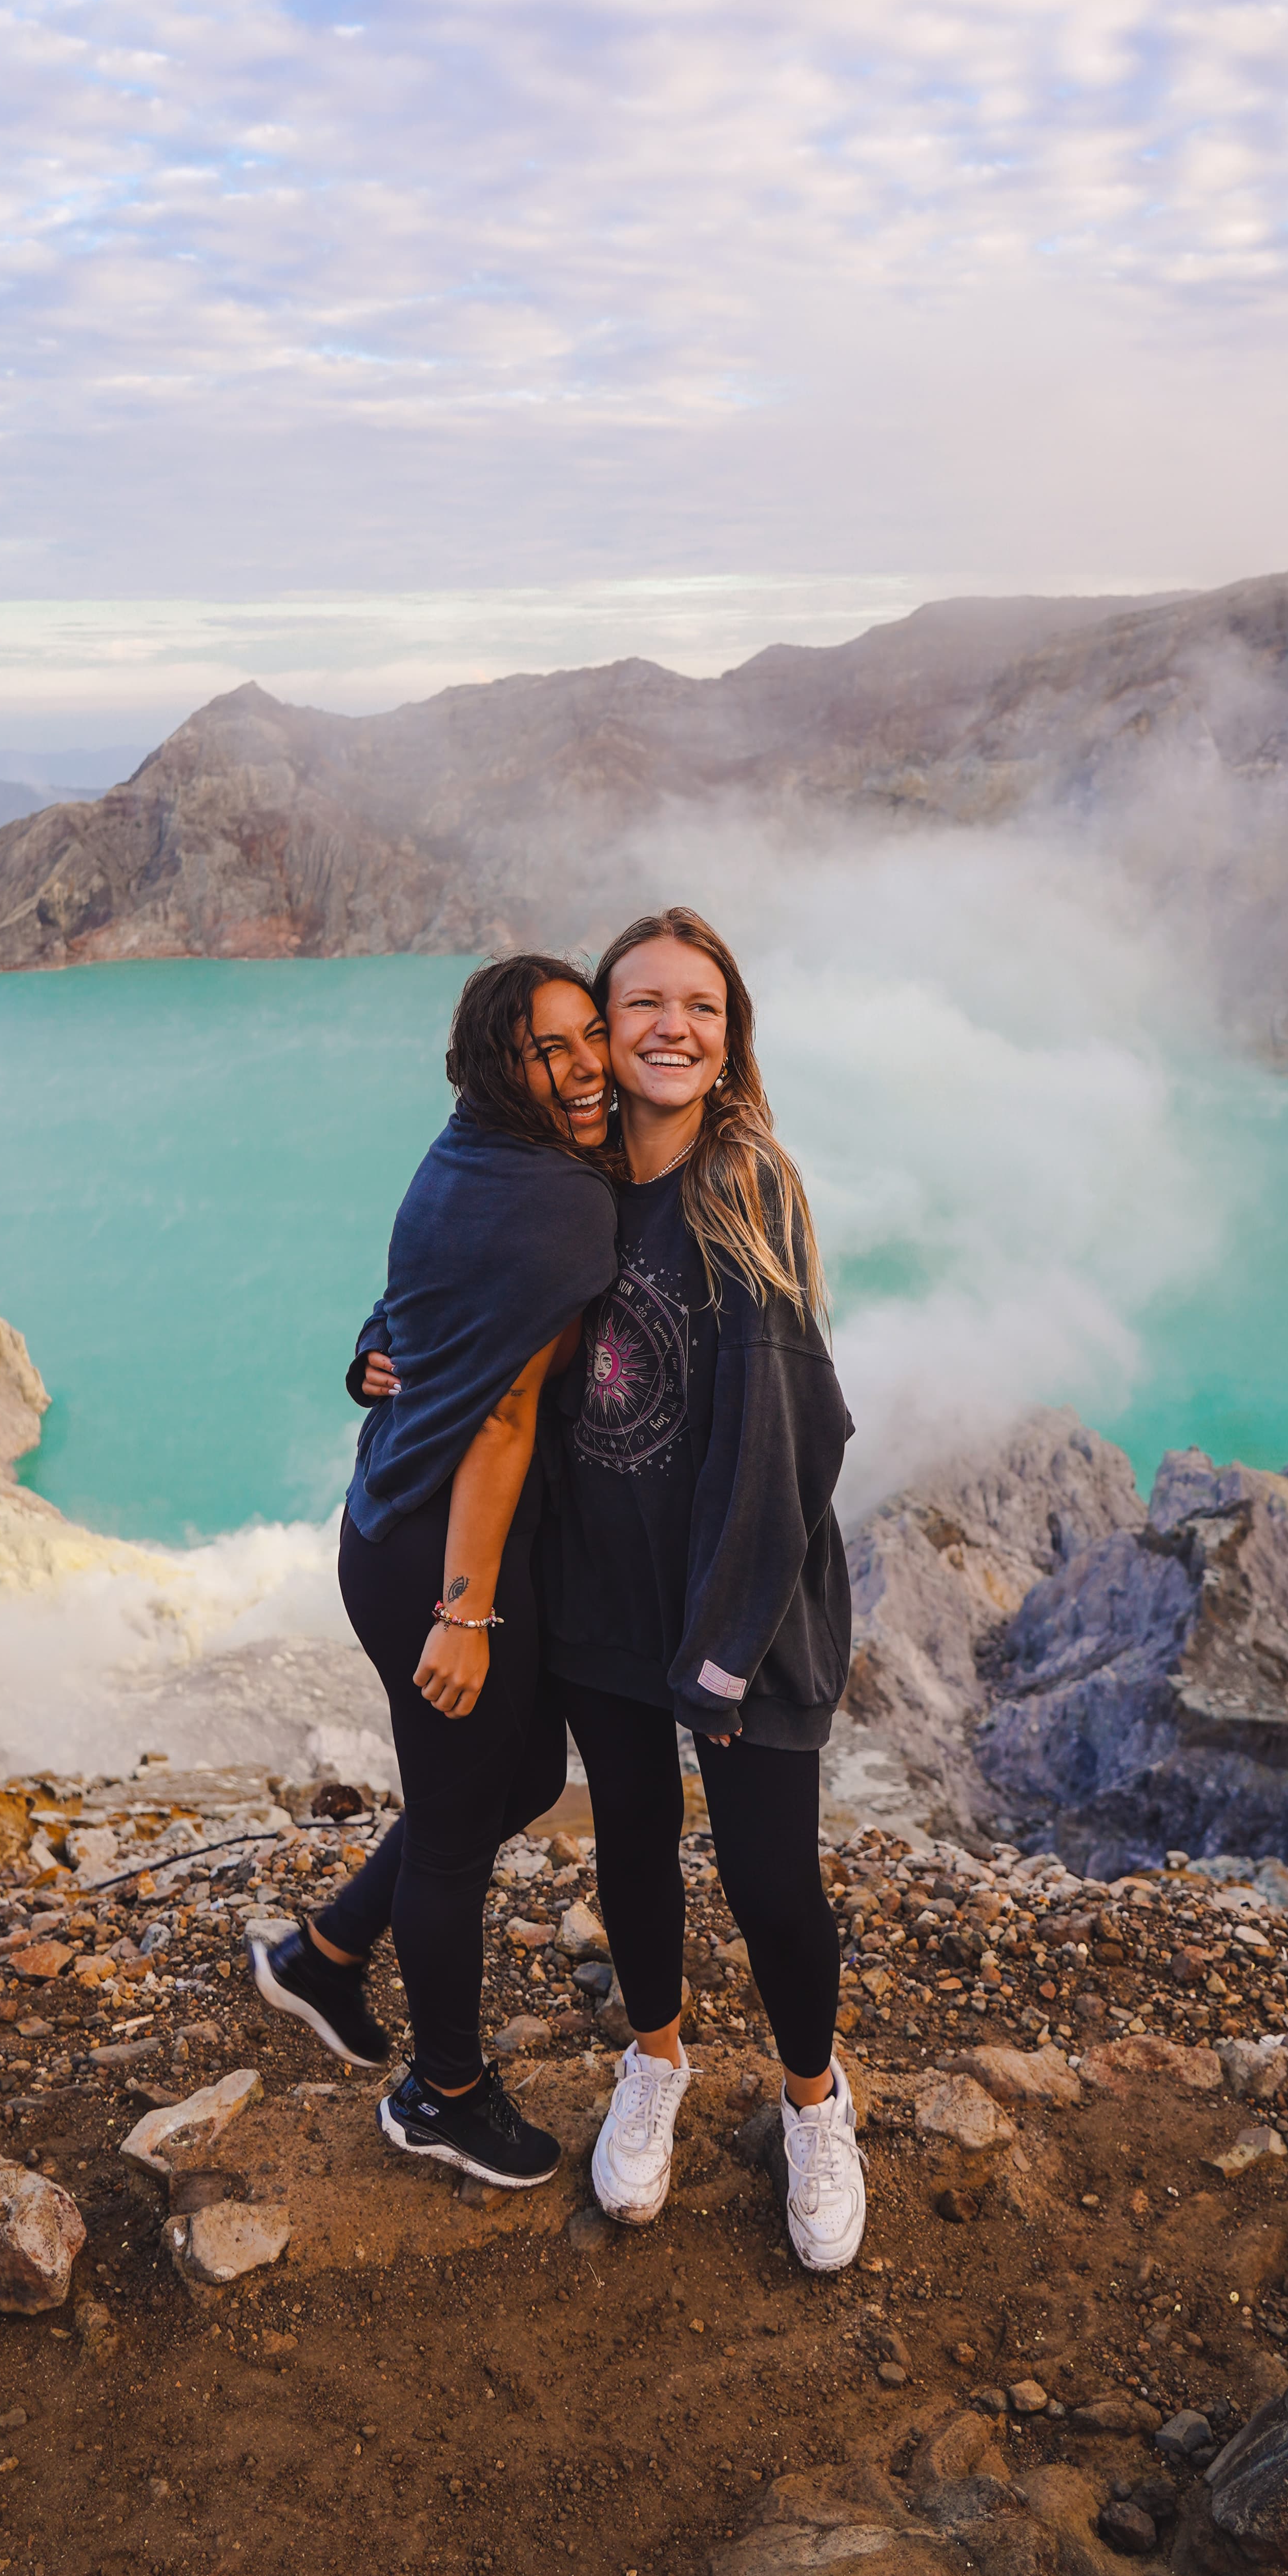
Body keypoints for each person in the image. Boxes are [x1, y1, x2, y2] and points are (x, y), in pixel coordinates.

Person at [249, 953, 617, 2190]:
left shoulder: (474, 1148)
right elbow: (504, 1419)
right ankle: (442, 2094)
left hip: (401, 1525)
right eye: (549, 1050)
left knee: (519, 1779)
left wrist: (375, 1344)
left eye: (590, 1035)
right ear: (495, 1068)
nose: (585, 1067)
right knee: (459, 1829)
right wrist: (465, 1612)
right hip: (436, 1554)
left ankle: (322, 1957)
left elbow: (418, 1295)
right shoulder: (561, 1201)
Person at [547, 907, 863, 2271]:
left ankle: (815, 2103)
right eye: (643, 1003)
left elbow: (793, 1428)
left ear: (730, 1043)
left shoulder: (747, 1187)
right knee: (631, 1840)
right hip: (605, 1590)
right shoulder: (564, 1180)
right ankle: (655, 2059)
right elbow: (459, 1281)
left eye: (702, 1007)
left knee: (769, 1876)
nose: (671, 1026)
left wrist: (725, 1647)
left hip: (747, 1606)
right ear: (603, 1031)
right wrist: (381, 1353)